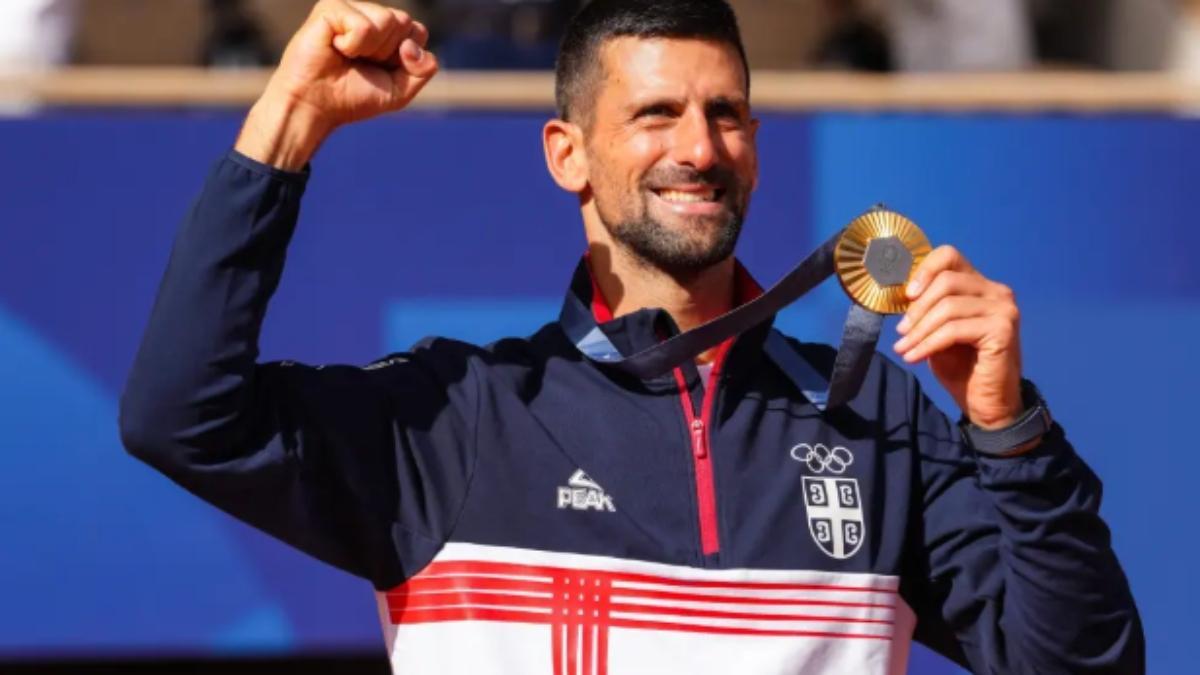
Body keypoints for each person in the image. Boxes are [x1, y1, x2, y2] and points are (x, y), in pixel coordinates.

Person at [118, 1, 1143, 673]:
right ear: (569, 154)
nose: (700, 149)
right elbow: (181, 417)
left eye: (727, 114)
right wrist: (288, 120)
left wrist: (1009, 431)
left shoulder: (870, 414)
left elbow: (1083, 664)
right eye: (656, 114)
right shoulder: (455, 416)